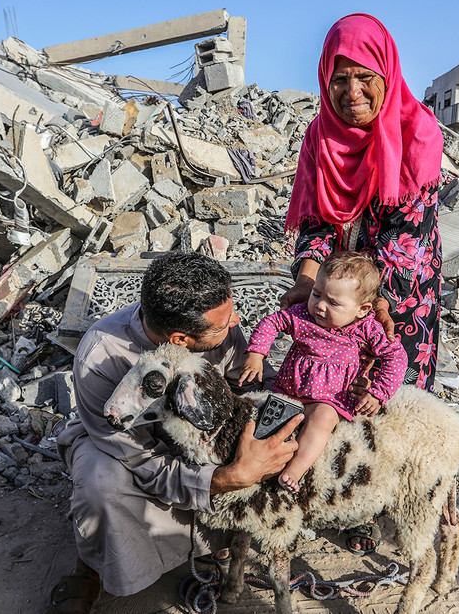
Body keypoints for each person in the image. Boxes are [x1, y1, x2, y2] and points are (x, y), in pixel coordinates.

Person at [49, 252, 302, 614]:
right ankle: (93, 564)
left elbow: (250, 385)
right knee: (99, 484)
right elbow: (136, 455)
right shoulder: (100, 355)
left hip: (202, 444)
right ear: (180, 339)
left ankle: (218, 539)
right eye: (222, 323)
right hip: (127, 447)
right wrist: (227, 478)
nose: (236, 320)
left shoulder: (221, 329)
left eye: (230, 312)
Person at [280, 13, 445, 555]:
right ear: (325, 81)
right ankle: (350, 499)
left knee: (386, 394)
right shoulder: (319, 138)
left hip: (398, 296)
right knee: (330, 391)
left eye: (365, 78)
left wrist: (367, 310)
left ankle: (413, 497)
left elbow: (406, 243)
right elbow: (315, 224)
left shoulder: (416, 132)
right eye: (339, 80)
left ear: (386, 75)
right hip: (340, 292)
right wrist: (308, 285)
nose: (352, 93)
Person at [240, 252, 407, 493]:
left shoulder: (367, 328)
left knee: (321, 423)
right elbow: (272, 322)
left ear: (362, 309)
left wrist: (378, 392)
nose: (319, 305)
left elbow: (396, 356)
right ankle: (260, 466)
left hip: (330, 399)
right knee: (268, 420)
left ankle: (295, 471)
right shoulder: (301, 314)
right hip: (288, 388)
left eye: (333, 302)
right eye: (316, 294)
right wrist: (256, 353)